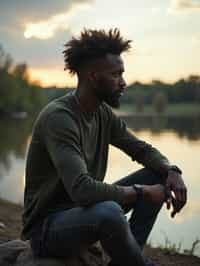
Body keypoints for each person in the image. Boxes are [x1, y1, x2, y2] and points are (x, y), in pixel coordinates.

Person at [21, 29, 187, 266]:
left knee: (156, 174)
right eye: (116, 74)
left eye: (122, 74)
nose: (123, 82)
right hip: (47, 230)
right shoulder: (59, 118)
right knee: (109, 210)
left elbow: (140, 149)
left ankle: (127, 260)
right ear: (93, 76)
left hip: (83, 211)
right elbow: (83, 190)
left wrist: (172, 171)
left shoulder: (102, 113)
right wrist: (143, 192)